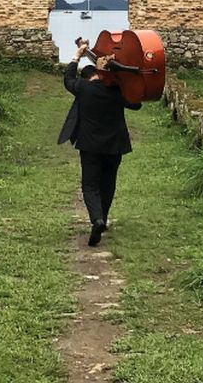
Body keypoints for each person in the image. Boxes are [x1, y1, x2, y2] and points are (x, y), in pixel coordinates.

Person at [59, 37, 141, 246]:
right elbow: (137, 104)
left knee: (90, 185)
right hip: (115, 145)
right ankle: (102, 218)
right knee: (108, 183)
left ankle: (97, 219)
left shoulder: (84, 89)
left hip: (90, 145)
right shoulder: (117, 91)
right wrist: (124, 79)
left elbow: (68, 78)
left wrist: (78, 55)